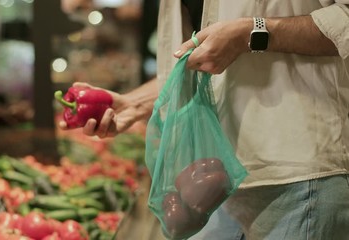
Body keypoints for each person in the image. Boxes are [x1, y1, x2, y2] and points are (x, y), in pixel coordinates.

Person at [59, 0, 349, 239]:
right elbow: (199, 63)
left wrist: (253, 32)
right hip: (213, 178)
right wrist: (133, 104)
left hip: (295, 176)